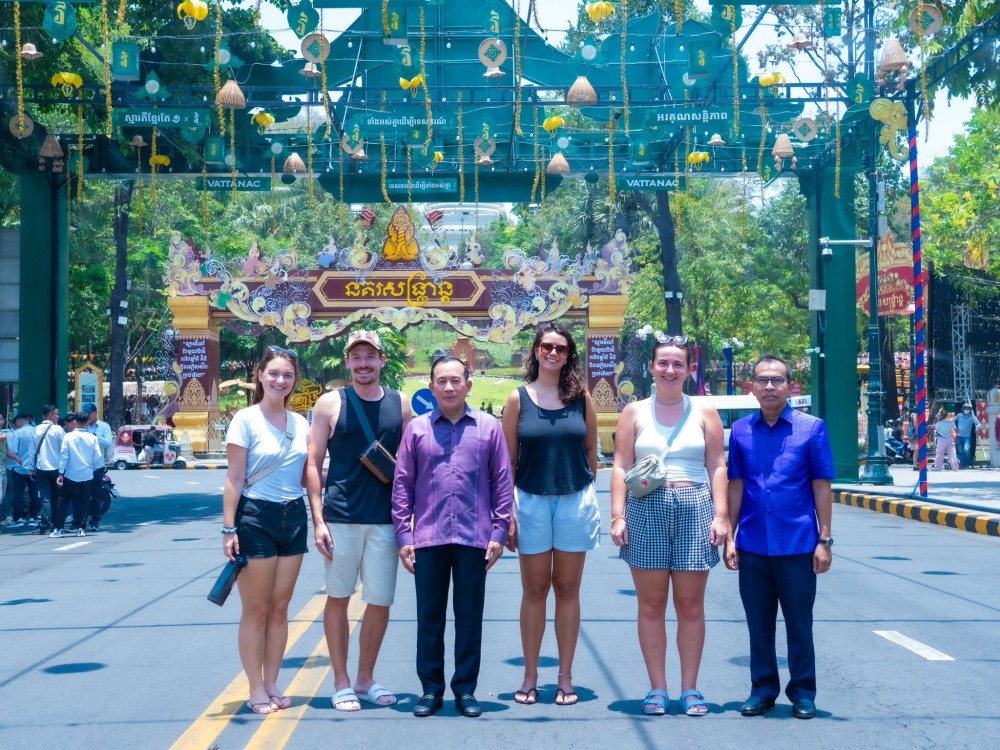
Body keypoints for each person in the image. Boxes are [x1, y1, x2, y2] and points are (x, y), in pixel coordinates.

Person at [610, 333, 728, 717]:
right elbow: (620, 466)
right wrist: (617, 514)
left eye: (678, 363)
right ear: (651, 368)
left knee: (691, 604)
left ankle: (690, 688)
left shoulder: (705, 411)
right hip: (645, 507)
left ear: (689, 370)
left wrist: (721, 515)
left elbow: (717, 465)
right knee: (651, 604)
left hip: (695, 504)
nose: (670, 370)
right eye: (663, 363)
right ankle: (657, 688)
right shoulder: (634, 412)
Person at [392, 356, 513, 718]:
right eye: (441, 381)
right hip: (428, 537)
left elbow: (502, 482)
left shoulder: (489, 427)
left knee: (469, 617)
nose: (448, 387)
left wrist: (499, 532)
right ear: (431, 388)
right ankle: (430, 690)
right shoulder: (416, 429)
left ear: (468, 385)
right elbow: (403, 485)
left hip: (475, 539)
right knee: (429, 618)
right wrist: (404, 535)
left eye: (455, 380)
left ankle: (465, 689)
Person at [725, 354, 835, 721]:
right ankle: (763, 690)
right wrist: (730, 536)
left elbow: (822, 486)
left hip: (797, 545)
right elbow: (736, 487)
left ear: (791, 386)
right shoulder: (740, 431)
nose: (769, 386)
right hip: (753, 544)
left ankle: (803, 692)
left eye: (777, 380)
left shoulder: (812, 428)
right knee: (758, 624)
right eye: (762, 380)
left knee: (800, 624)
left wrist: (825, 539)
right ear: (751, 387)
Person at [308, 330, 411, 711]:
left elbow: (410, 465)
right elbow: (313, 464)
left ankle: (366, 678)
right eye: (357, 357)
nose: (364, 363)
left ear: (383, 361)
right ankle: (341, 680)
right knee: (338, 597)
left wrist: (410, 517)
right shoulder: (330, 404)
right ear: (347, 362)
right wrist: (317, 519)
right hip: (342, 517)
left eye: (371, 356)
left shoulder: (400, 406)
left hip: (385, 520)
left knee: (380, 600)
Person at [501, 323, 599, 706]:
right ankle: (530, 675)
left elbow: (592, 450)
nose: (553, 353)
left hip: (574, 499)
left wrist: (587, 488)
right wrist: (507, 510)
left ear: (569, 354)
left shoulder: (582, 397)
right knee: (535, 590)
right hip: (530, 500)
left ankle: (566, 676)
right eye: (547, 346)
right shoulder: (517, 399)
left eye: (560, 348)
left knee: (568, 590)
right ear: (536, 351)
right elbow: (507, 461)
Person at [222, 346, 320, 715]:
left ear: (294, 382)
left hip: (292, 517)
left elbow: (308, 472)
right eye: (274, 373)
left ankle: (274, 681)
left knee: (281, 609)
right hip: (255, 517)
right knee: (257, 609)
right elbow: (233, 478)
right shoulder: (244, 420)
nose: (280, 380)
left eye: (288, 375)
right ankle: (255, 687)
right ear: (260, 376)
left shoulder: (300, 423)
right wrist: (228, 529)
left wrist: (318, 514)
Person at [54, 412, 103, 538]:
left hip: (71, 474)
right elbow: (98, 456)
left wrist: (60, 473)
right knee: (85, 501)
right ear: (87, 422)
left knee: (63, 500)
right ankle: (81, 528)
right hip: (87, 474)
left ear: (75, 422)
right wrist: (93, 468)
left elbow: (64, 456)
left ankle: (59, 529)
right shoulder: (93, 438)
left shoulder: (68, 437)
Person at [34, 404, 65, 533]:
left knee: (45, 497)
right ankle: (56, 524)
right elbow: (64, 450)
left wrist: (31, 468)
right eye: (56, 414)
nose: (58, 416)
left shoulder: (35, 429)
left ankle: (46, 524)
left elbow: (32, 452)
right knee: (56, 497)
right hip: (56, 468)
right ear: (50, 414)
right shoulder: (58, 430)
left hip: (41, 467)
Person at [82, 402, 114, 530]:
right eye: (84, 414)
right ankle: (81, 521)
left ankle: (95, 521)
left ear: (95, 413)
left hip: (97, 465)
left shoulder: (104, 426)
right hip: (83, 465)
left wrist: (95, 437)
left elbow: (108, 442)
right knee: (82, 494)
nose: (86, 417)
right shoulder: (81, 425)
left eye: (88, 414)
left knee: (96, 495)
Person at [5, 414, 38, 528]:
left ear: (18, 421)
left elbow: (14, 450)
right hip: (33, 468)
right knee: (33, 493)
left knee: (18, 493)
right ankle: (33, 518)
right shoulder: (36, 431)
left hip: (19, 467)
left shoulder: (17, 433)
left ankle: (18, 519)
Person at [954, 402, 981, 469]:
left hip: (967, 436)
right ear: (963, 409)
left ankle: (967, 463)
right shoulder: (959, 415)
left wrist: (977, 429)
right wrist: (954, 427)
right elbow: (952, 421)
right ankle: (962, 464)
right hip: (959, 436)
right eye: (966, 408)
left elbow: (978, 424)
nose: (967, 409)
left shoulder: (972, 417)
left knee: (966, 450)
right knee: (960, 451)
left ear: (970, 409)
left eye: (968, 408)